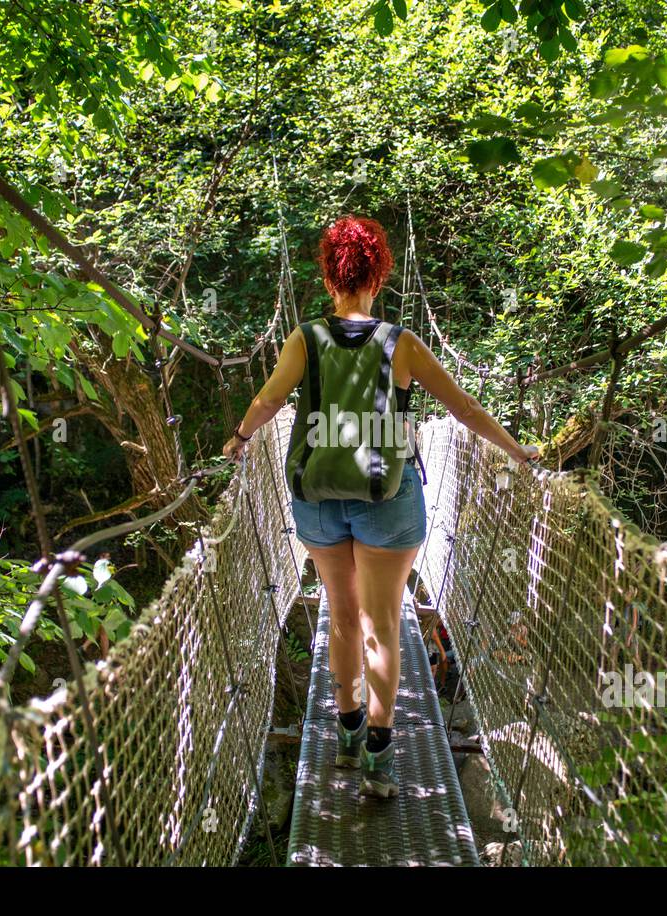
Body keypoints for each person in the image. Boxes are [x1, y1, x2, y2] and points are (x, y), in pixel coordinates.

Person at [223, 215, 537, 798]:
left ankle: (343, 729)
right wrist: (518, 451)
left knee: (339, 619)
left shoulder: (304, 339)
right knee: (382, 625)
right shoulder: (402, 343)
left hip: (317, 497)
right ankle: (379, 752)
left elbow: (268, 400)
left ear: (329, 278)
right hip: (388, 497)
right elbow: (464, 410)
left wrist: (240, 440)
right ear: (379, 276)